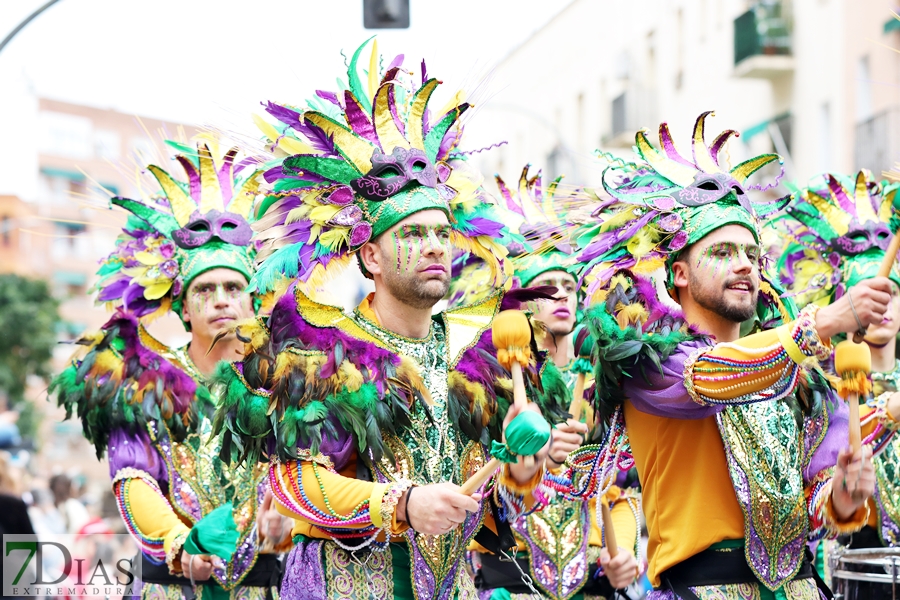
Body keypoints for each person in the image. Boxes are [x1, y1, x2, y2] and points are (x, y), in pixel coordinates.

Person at [212, 39, 574, 599]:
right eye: (411, 234)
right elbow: (292, 482)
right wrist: (400, 503)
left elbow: (511, 503)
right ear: (371, 257)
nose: (434, 247)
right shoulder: (322, 350)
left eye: (440, 233)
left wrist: (526, 465)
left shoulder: (478, 353)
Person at [569, 113, 884, 599]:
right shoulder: (648, 361)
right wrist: (823, 323)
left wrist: (844, 492)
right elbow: (713, 377)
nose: (743, 264)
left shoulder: (796, 373)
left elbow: (821, 506)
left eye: (752, 254)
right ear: (678, 273)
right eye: (722, 252)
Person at [50, 141, 291, 599]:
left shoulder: (283, 383)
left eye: (233, 287)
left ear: (253, 300)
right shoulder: (144, 381)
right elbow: (134, 478)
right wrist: (178, 542)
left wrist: (285, 517)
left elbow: (307, 477)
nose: (221, 299)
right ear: (182, 308)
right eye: (205, 288)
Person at [457, 167, 641, 598]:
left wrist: (624, 555)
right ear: (518, 301)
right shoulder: (488, 382)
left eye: (568, 285)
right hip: (513, 584)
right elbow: (481, 496)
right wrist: (531, 460)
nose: (561, 295)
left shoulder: (603, 384)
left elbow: (622, 491)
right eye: (546, 287)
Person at [772, 170, 900, 597]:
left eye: (893, 293)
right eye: (868, 292)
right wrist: (886, 413)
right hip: (851, 567)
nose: (883, 304)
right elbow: (823, 474)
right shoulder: (817, 386)